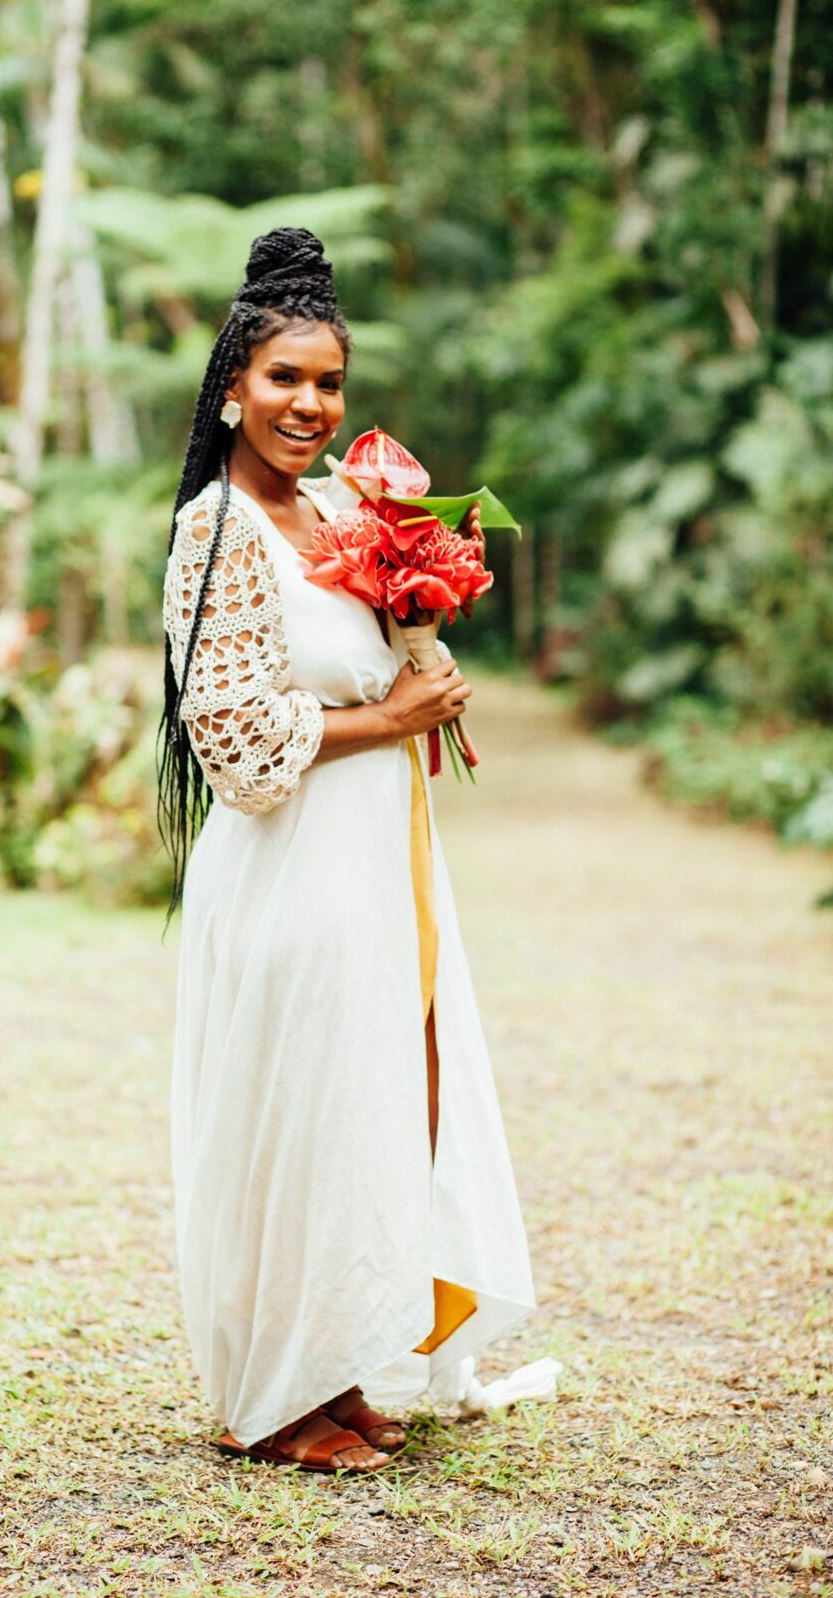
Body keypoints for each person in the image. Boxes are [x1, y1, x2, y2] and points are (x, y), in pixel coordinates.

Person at [158, 227, 536, 1474]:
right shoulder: (219, 532)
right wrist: (391, 717)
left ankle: (335, 1365)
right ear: (230, 389)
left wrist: (420, 634)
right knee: (295, 1113)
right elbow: (235, 741)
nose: (308, 405)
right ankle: (270, 1397)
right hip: (291, 873)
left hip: (381, 863)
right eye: (282, 380)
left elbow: (368, 656)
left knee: (372, 1104)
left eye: (327, 383)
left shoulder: (336, 511)